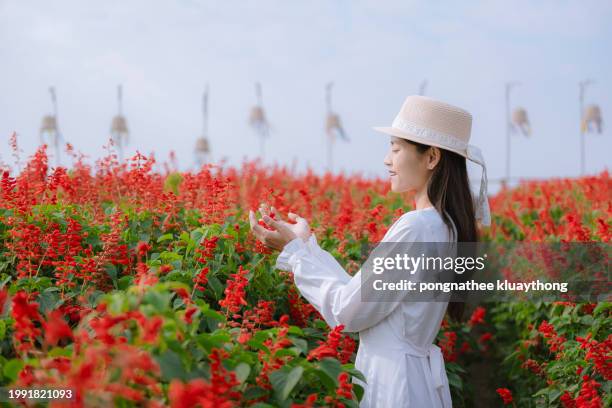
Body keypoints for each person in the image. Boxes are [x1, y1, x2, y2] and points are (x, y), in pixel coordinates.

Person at [249, 95, 491, 407]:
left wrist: (296, 254)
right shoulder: (446, 227)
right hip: (415, 380)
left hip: (394, 385)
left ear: (431, 157)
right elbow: (361, 297)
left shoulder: (415, 228)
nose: (388, 160)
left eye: (396, 148)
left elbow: (347, 313)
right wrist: (306, 248)